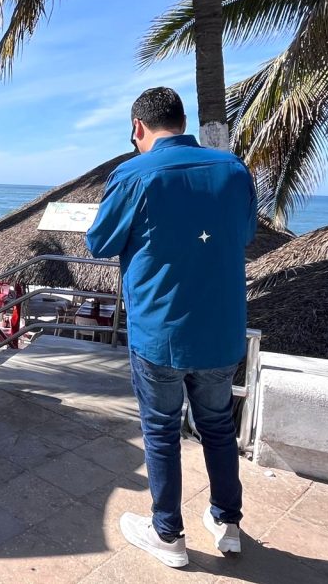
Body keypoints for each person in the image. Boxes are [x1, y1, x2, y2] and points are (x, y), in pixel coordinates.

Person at [86, 87, 257, 568]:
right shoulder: (234, 169)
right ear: (183, 121)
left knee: (161, 432)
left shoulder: (132, 174)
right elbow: (243, 235)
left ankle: (169, 535)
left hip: (161, 331)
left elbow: (100, 242)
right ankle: (228, 523)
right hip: (221, 330)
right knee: (218, 427)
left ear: (138, 128)